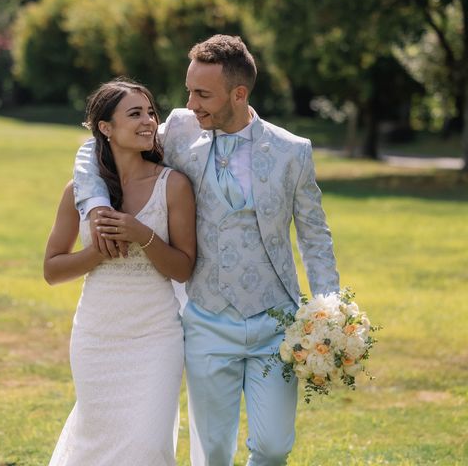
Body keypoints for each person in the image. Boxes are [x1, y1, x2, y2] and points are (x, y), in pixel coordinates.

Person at [73, 35, 340, 465]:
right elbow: (94, 146)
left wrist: (329, 310)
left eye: (203, 94)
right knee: (213, 451)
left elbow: (315, 236)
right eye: (188, 90)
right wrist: (96, 205)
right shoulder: (180, 130)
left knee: (273, 447)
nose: (190, 103)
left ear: (239, 93)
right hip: (207, 320)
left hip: (276, 321)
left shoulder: (293, 152)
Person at [43, 79, 196, 465]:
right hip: (96, 335)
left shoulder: (173, 185)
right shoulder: (78, 191)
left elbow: (183, 267)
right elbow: (52, 269)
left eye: (150, 112)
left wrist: (141, 235)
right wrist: (97, 254)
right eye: (135, 113)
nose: (148, 121)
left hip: (155, 334)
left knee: (147, 446)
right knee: (97, 441)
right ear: (105, 128)